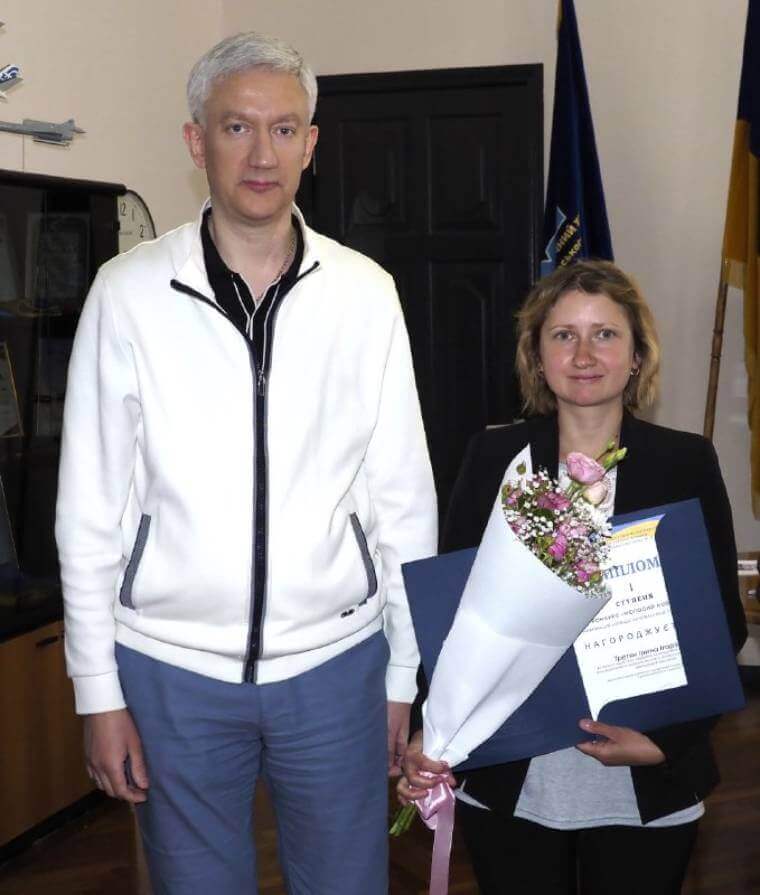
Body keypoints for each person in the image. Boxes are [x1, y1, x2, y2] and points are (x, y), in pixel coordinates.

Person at [55, 31, 437, 895]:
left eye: (284, 128)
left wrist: (402, 672)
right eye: (237, 128)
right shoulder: (127, 294)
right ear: (197, 141)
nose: (262, 154)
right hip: (170, 670)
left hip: (337, 666)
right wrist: (97, 690)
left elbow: (403, 500)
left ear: (311, 143)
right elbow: (87, 511)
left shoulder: (365, 294)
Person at [398, 260, 746, 894]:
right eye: (563, 335)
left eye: (605, 334)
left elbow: (720, 622)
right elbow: (452, 615)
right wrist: (432, 727)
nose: (584, 354)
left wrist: (666, 741)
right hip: (510, 769)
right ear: (537, 356)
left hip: (646, 775)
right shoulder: (492, 457)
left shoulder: (685, 462)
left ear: (637, 355)